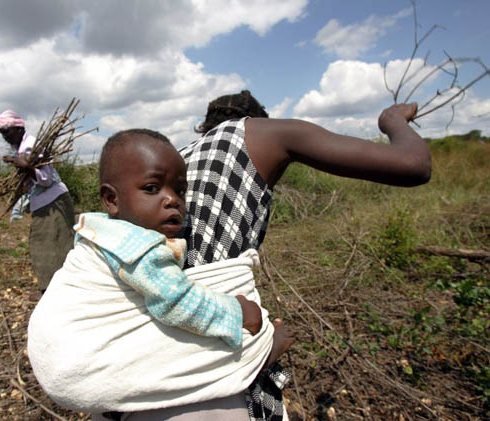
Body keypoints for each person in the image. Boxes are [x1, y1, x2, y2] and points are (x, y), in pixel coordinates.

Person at [118, 90, 432, 420]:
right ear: (255, 119)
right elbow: (415, 165)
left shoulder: (174, 162)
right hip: (206, 386)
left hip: (138, 368)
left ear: (205, 126)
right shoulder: (261, 133)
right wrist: (393, 120)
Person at [27, 129, 286, 416]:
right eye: (152, 188)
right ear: (111, 199)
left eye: (179, 190)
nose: (172, 200)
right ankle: (260, 355)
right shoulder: (138, 247)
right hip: (71, 368)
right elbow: (178, 303)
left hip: (48, 353)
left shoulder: (97, 230)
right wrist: (237, 312)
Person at [0, 110, 75, 295]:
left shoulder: (32, 145)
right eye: (2, 132)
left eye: (7, 131)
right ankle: (57, 291)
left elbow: (46, 179)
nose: (5, 136)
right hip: (45, 203)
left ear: (19, 128)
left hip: (54, 203)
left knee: (50, 247)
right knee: (53, 246)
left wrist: (27, 167)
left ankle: (57, 292)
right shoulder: (22, 148)